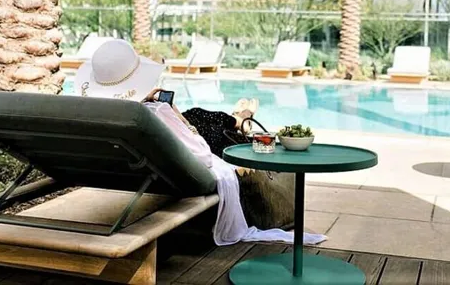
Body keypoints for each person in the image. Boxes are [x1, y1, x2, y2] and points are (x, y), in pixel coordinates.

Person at [74, 39, 326, 246]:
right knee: (209, 125)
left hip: (133, 171)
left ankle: (239, 118)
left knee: (201, 115)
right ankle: (242, 119)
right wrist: (178, 118)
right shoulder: (153, 113)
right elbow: (203, 155)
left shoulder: (95, 114)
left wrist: (146, 101)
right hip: (176, 170)